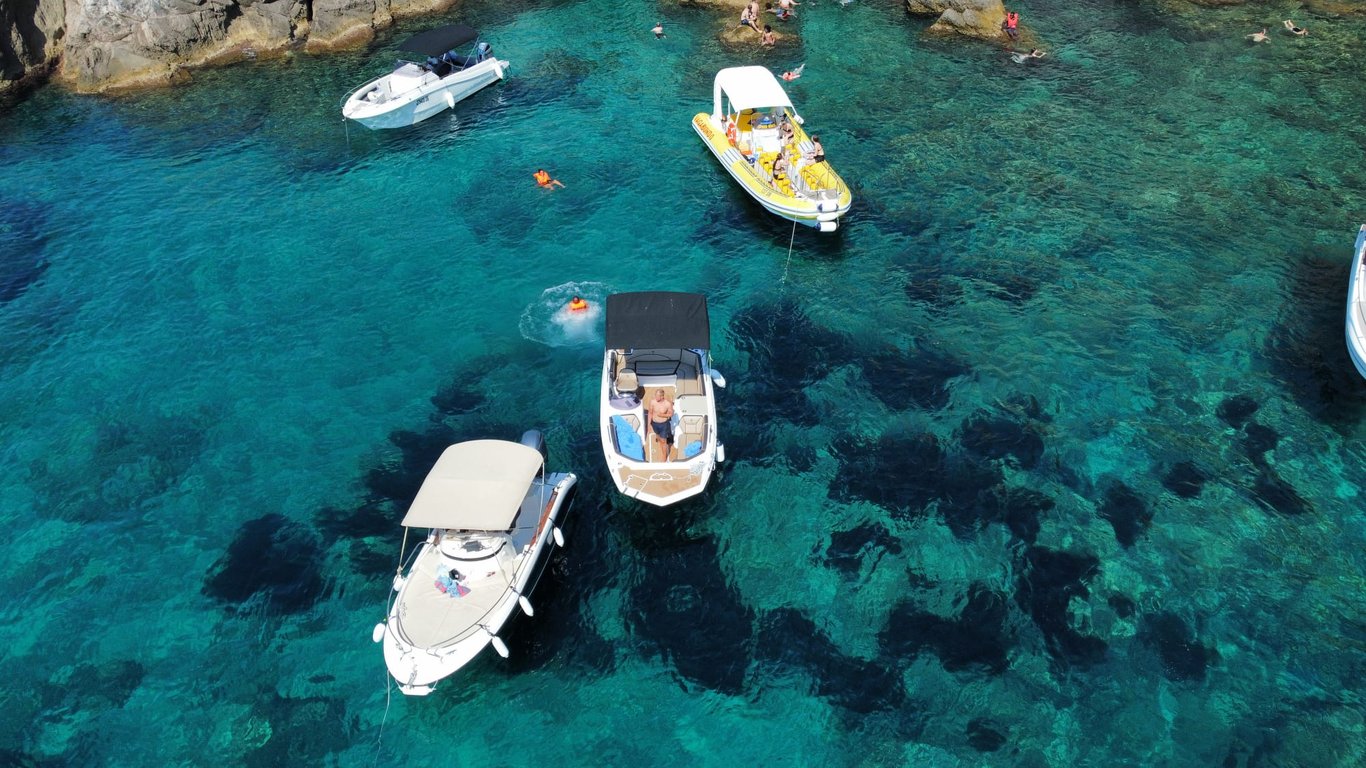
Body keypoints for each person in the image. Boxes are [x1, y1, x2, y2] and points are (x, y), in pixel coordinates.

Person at [648, 389, 674, 461]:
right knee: (657, 435)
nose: (655, 397)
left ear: (662, 396)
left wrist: (662, 415)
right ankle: (659, 437)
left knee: (663, 441)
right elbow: (650, 413)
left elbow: (671, 414)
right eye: (655, 395)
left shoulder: (667, 404)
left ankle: (664, 456)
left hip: (663, 425)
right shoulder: (652, 402)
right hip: (654, 423)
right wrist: (648, 425)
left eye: (657, 396)